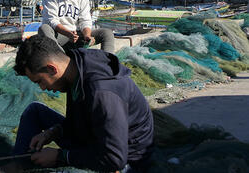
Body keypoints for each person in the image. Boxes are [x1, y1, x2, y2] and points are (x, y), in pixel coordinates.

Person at [12, 35, 153, 172]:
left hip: (126, 159)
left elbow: (114, 159)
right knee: (35, 111)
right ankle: (18, 166)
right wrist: (53, 132)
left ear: (52, 69)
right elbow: (77, 121)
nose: (42, 88)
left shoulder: (102, 94)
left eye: (40, 81)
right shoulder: (74, 64)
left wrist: (61, 156)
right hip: (94, 136)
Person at [39, 0, 115, 53]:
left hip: (76, 35)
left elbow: (85, 20)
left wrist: (87, 35)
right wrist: (68, 33)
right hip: (59, 35)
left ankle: (108, 62)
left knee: (107, 33)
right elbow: (51, 20)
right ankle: (61, 58)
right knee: (44, 28)